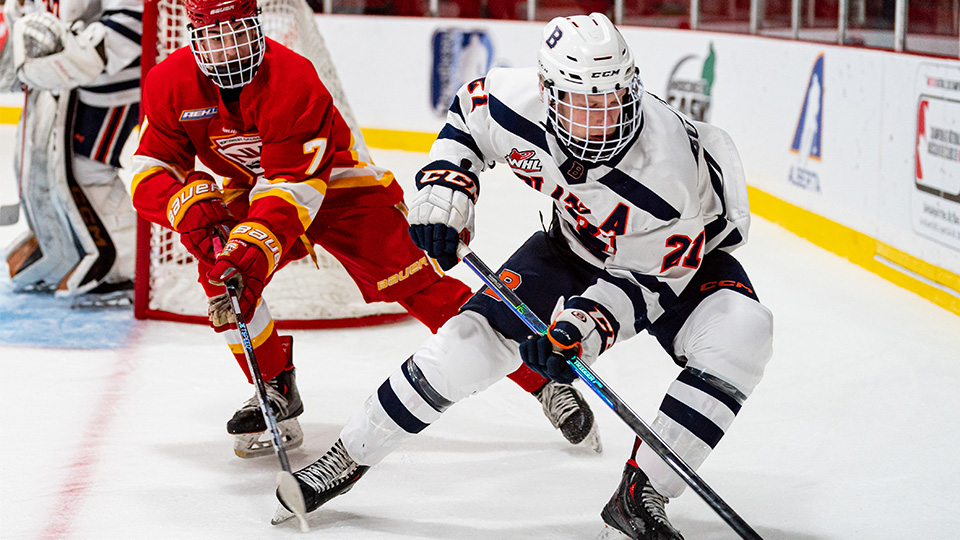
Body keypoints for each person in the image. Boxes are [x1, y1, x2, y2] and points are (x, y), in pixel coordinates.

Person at [277, 13, 773, 540]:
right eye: (584, 103)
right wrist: (450, 188)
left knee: (742, 333)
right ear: (548, 92)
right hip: (574, 245)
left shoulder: (664, 173)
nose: (602, 118)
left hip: (679, 262)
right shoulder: (517, 103)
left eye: (612, 99)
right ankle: (343, 459)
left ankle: (641, 493)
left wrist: (579, 332)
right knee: (466, 345)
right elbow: (469, 116)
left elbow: (650, 282)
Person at [129, 0, 599, 460]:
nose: (228, 48)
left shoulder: (292, 79)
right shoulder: (170, 83)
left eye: (237, 31)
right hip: (252, 191)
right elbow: (148, 165)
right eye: (214, 37)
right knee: (223, 281)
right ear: (194, 38)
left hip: (339, 189)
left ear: (256, 24)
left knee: (425, 289)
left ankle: (543, 382)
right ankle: (275, 388)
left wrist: (249, 253)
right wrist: (181, 204)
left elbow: (293, 191)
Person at [1, 0, 141, 303]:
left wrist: (85, 50)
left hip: (113, 82)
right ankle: (62, 245)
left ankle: (122, 265)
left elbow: (133, 14)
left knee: (85, 168)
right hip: (61, 80)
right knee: (43, 162)